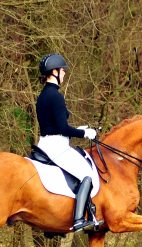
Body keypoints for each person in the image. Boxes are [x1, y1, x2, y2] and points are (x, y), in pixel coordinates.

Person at [35, 54, 101, 234]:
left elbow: (54, 126)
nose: (64, 74)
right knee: (88, 175)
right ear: (54, 72)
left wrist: (76, 129)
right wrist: (85, 133)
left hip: (46, 143)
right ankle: (79, 220)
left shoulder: (43, 95)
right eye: (63, 71)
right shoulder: (55, 96)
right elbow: (63, 129)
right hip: (57, 147)